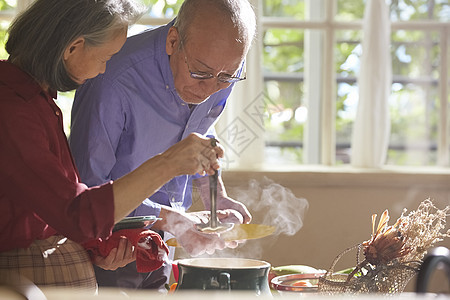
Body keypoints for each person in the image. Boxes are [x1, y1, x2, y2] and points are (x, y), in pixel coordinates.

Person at [0, 0, 225, 292]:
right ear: (73, 47)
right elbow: (77, 214)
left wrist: (103, 246)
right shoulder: (11, 109)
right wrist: (168, 163)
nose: (104, 70)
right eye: (106, 57)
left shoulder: (39, 101)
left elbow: (52, 212)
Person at [68, 0, 257, 291]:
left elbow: (199, 131)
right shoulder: (112, 81)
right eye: (201, 73)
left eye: (227, 78)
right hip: (107, 250)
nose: (210, 89)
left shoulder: (218, 66)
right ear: (173, 41)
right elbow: (88, 189)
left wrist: (214, 195)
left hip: (162, 245)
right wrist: (172, 220)